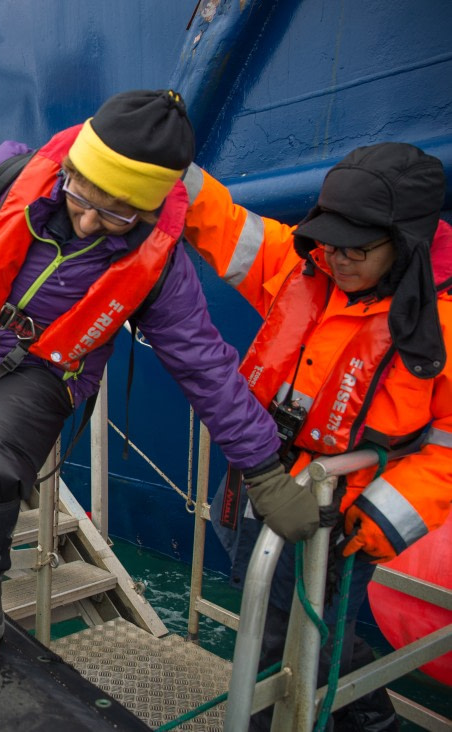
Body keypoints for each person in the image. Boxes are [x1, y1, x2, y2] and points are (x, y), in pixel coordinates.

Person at [0, 89, 296, 664]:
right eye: (82, 196)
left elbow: (206, 366)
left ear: (145, 211)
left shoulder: (160, 263)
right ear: (69, 171)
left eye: (116, 213)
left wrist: (264, 469)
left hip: (48, 367)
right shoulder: (15, 170)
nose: (90, 219)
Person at [183, 142, 452, 730]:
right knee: (306, 631)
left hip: (339, 520)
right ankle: (371, 720)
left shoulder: (444, 324)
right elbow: (223, 223)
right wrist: (165, 156)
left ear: (404, 245)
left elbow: (447, 447)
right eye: (329, 242)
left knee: (291, 637)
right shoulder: (304, 267)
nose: (338, 258)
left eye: (357, 248)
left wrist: (379, 519)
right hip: (255, 487)